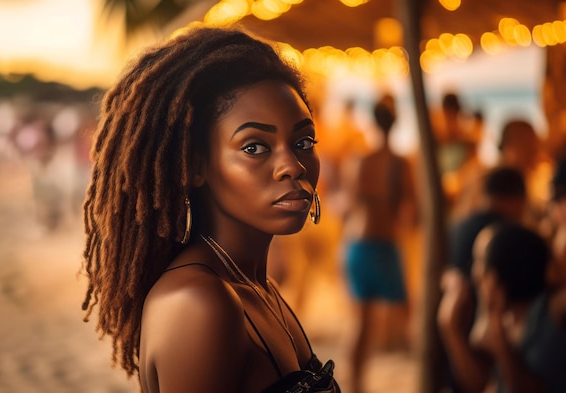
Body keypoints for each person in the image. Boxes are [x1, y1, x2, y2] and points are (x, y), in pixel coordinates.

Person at [80, 27, 340, 393]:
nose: (293, 166)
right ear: (195, 165)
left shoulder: (260, 288)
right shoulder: (199, 303)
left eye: (303, 141)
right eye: (254, 147)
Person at [338, 97, 417, 393]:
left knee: (361, 322)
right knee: (409, 317)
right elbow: (410, 209)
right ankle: (427, 376)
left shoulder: (357, 160)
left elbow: (347, 205)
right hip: (383, 244)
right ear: (396, 123)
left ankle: (356, 385)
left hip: (354, 246)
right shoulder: (400, 163)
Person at [438, 222, 566, 393]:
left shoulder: (552, 311)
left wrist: (501, 345)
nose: (475, 274)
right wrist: (450, 328)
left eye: (481, 263)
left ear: (497, 277)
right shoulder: (505, 318)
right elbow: (476, 384)